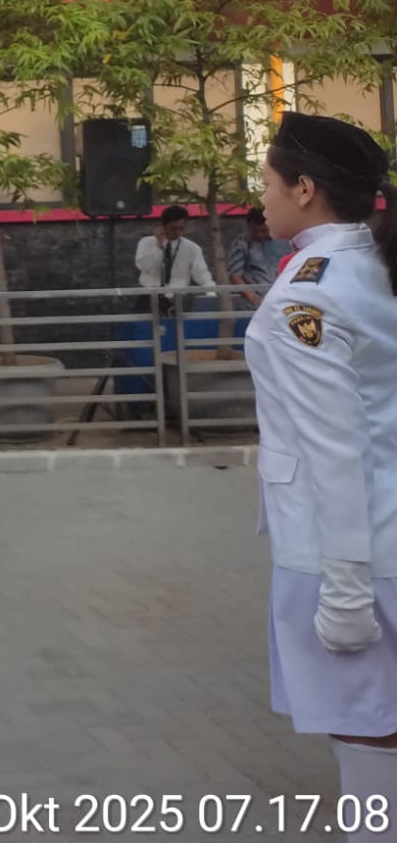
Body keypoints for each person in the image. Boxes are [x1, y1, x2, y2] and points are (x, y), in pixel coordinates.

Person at [247, 111, 397, 842]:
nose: (262, 198)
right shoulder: (374, 262)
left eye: (268, 183)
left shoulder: (308, 294)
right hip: (383, 536)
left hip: (350, 551)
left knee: (367, 728)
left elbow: (336, 452)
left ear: (305, 189)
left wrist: (343, 593)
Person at [135, 205, 214, 313]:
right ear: (163, 226)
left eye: (181, 228)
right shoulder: (147, 243)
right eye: (173, 228)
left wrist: (212, 295)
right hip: (149, 297)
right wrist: (159, 246)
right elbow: (147, 268)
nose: (177, 232)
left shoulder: (192, 248)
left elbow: (202, 275)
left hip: (177, 298)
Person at [227, 206, 293, 308]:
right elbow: (235, 277)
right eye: (256, 231)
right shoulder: (240, 244)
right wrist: (253, 298)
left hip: (283, 300)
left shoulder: (285, 241)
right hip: (253, 305)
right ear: (248, 226)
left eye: (264, 231)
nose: (260, 235)